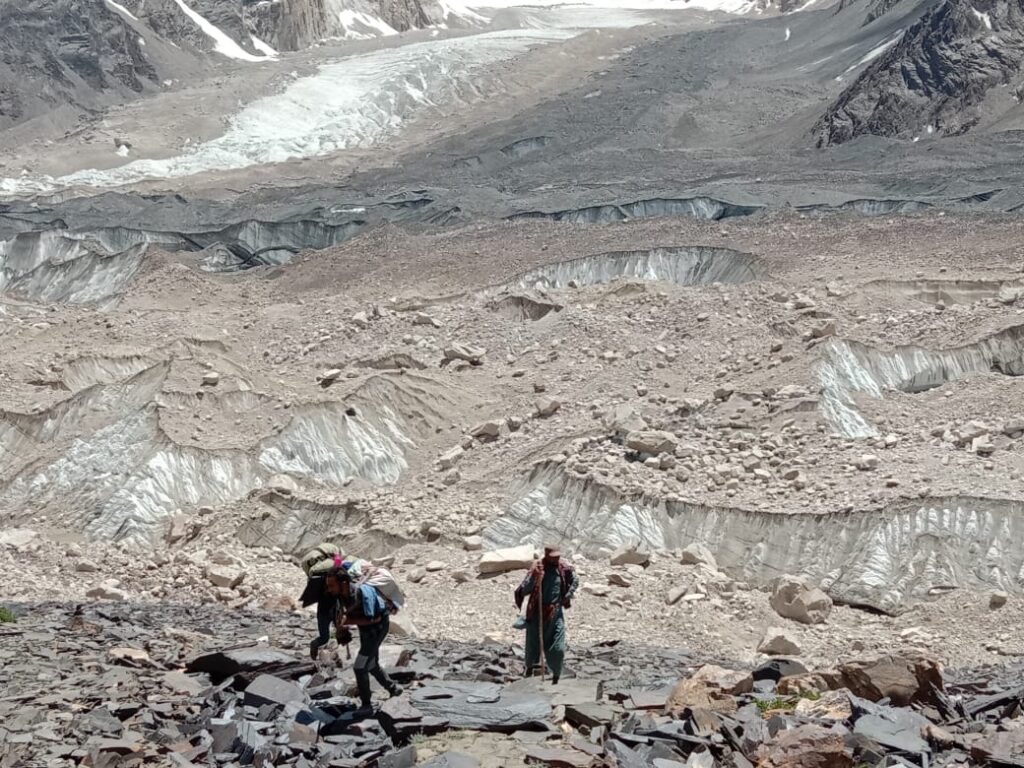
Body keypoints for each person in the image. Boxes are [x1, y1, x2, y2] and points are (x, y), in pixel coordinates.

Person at [326, 566, 403, 713]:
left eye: (331, 585)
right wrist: (340, 627)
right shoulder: (340, 596)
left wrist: (348, 621)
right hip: (366, 631)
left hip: (377, 629)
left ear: (343, 583)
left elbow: (375, 618)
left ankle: (366, 705)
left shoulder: (360, 594)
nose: (329, 589)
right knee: (371, 663)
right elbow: (339, 615)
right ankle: (393, 688)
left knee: (360, 667)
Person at [514, 545, 579, 684]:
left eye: (558, 556)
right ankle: (530, 668)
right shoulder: (538, 569)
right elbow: (524, 589)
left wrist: (568, 594)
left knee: (558, 648)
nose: (556, 559)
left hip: (555, 613)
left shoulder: (564, 569)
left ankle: (556, 675)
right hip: (537, 613)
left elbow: (575, 581)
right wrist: (536, 578)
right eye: (553, 557)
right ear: (547, 556)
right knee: (533, 644)